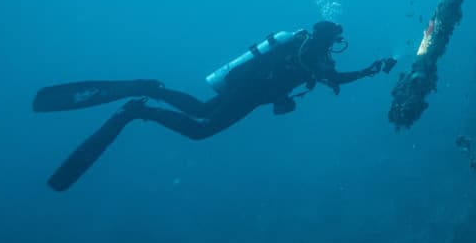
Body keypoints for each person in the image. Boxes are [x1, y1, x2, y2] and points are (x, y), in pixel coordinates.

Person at [33, 21, 396, 191]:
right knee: (200, 129)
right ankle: (139, 109)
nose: (335, 45)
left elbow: (330, 76)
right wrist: (368, 70)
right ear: (326, 38)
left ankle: (149, 92)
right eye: (334, 40)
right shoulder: (308, 52)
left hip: (247, 92)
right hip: (248, 94)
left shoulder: (306, 51)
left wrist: (365, 70)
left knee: (200, 112)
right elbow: (331, 76)